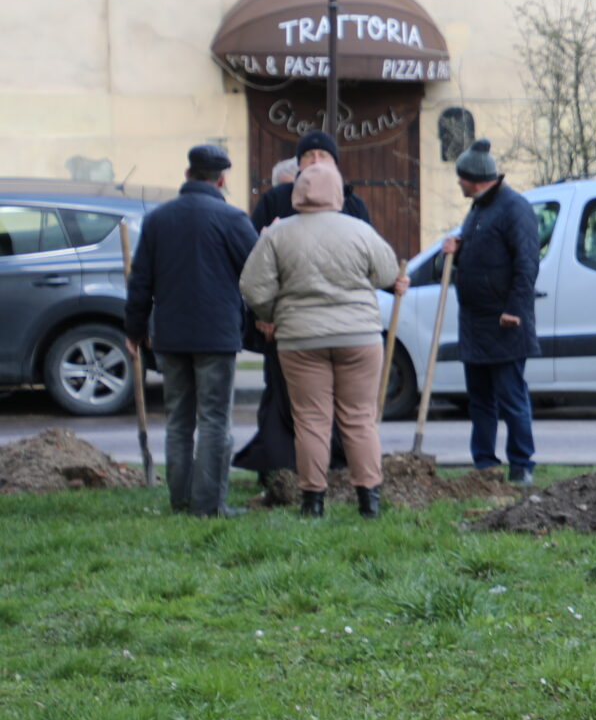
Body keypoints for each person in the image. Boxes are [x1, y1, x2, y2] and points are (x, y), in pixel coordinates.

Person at [236, 163, 406, 517]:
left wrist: (270, 314)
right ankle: (369, 501)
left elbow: (252, 287)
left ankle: (313, 502)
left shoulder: (277, 234)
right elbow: (388, 272)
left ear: (297, 192)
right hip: (359, 336)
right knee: (359, 418)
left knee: (311, 420)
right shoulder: (359, 230)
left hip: (300, 339)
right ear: (338, 193)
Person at [124, 144, 259, 517]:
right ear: (222, 180)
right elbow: (257, 273)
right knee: (215, 419)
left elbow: (141, 282)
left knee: (179, 421)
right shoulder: (232, 219)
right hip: (216, 335)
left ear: (187, 176)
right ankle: (209, 506)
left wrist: (133, 330)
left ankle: (180, 502)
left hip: (169, 334)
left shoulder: (158, 219)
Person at [236, 130, 373, 476]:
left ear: (336, 164)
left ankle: (338, 469)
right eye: (307, 157)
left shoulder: (353, 204)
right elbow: (256, 266)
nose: (315, 162)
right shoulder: (275, 201)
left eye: (322, 156)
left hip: (342, 325)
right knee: (284, 401)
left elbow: (372, 266)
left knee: (343, 404)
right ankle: (282, 470)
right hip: (287, 323)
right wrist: (264, 315)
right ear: (297, 166)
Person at [447, 139, 540, 484]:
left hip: (504, 323)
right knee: (480, 401)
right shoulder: (478, 209)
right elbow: (481, 255)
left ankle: (521, 465)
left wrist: (515, 308)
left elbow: (527, 263)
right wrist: (457, 252)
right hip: (475, 323)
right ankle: (484, 465)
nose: (458, 182)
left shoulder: (514, 208)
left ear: (474, 177)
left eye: (461, 177)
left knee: (512, 398)